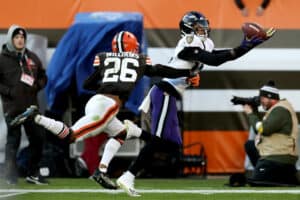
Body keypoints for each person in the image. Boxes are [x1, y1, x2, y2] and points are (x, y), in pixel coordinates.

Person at [115, 10, 276, 196]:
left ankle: (134, 132)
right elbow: (214, 60)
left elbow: (221, 56)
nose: (203, 30)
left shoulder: (203, 44)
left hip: (171, 95)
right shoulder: (187, 43)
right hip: (164, 91)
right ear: (188, 29)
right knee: (159, 141)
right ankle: (128, 176)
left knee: (171, 145)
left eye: (204, 26)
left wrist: (247, 47)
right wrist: (244, 46)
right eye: (198, 27)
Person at [11, 31, 197, 189]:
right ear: (132, 46)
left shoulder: (104, 57)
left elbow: (88, 83)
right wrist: (187, 73)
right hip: (108, 107)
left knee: (121, 133)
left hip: (97, 100)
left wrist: (108, 84)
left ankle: (101, 171)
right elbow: (160, 70)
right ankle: (37, 117)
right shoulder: (139, 60)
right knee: (71, 136)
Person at [0, 25, 48, 185]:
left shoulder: (32, 57)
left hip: (31, 108)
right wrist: (9, 91)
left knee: (38, 139)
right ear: (11, 39)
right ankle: (10, 176)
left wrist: (37, 85)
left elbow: (43, 76)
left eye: (22, 38)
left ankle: (32, 173)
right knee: (13, 141)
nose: (20, 40)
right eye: (16, 37)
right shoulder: (2, 59)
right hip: (12, 108)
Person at [243, 80, 299, 186]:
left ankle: (268, 174)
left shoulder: (280, 109)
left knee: (257, 182)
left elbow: (265, 129)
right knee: (250, 145)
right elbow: (258, 130)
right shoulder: (276, 109)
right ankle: (270, 173)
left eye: (262, 98)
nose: (261, 101)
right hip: (276, 154)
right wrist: (254, 111)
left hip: (278, 156)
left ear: (270, 97)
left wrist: (250, 114)